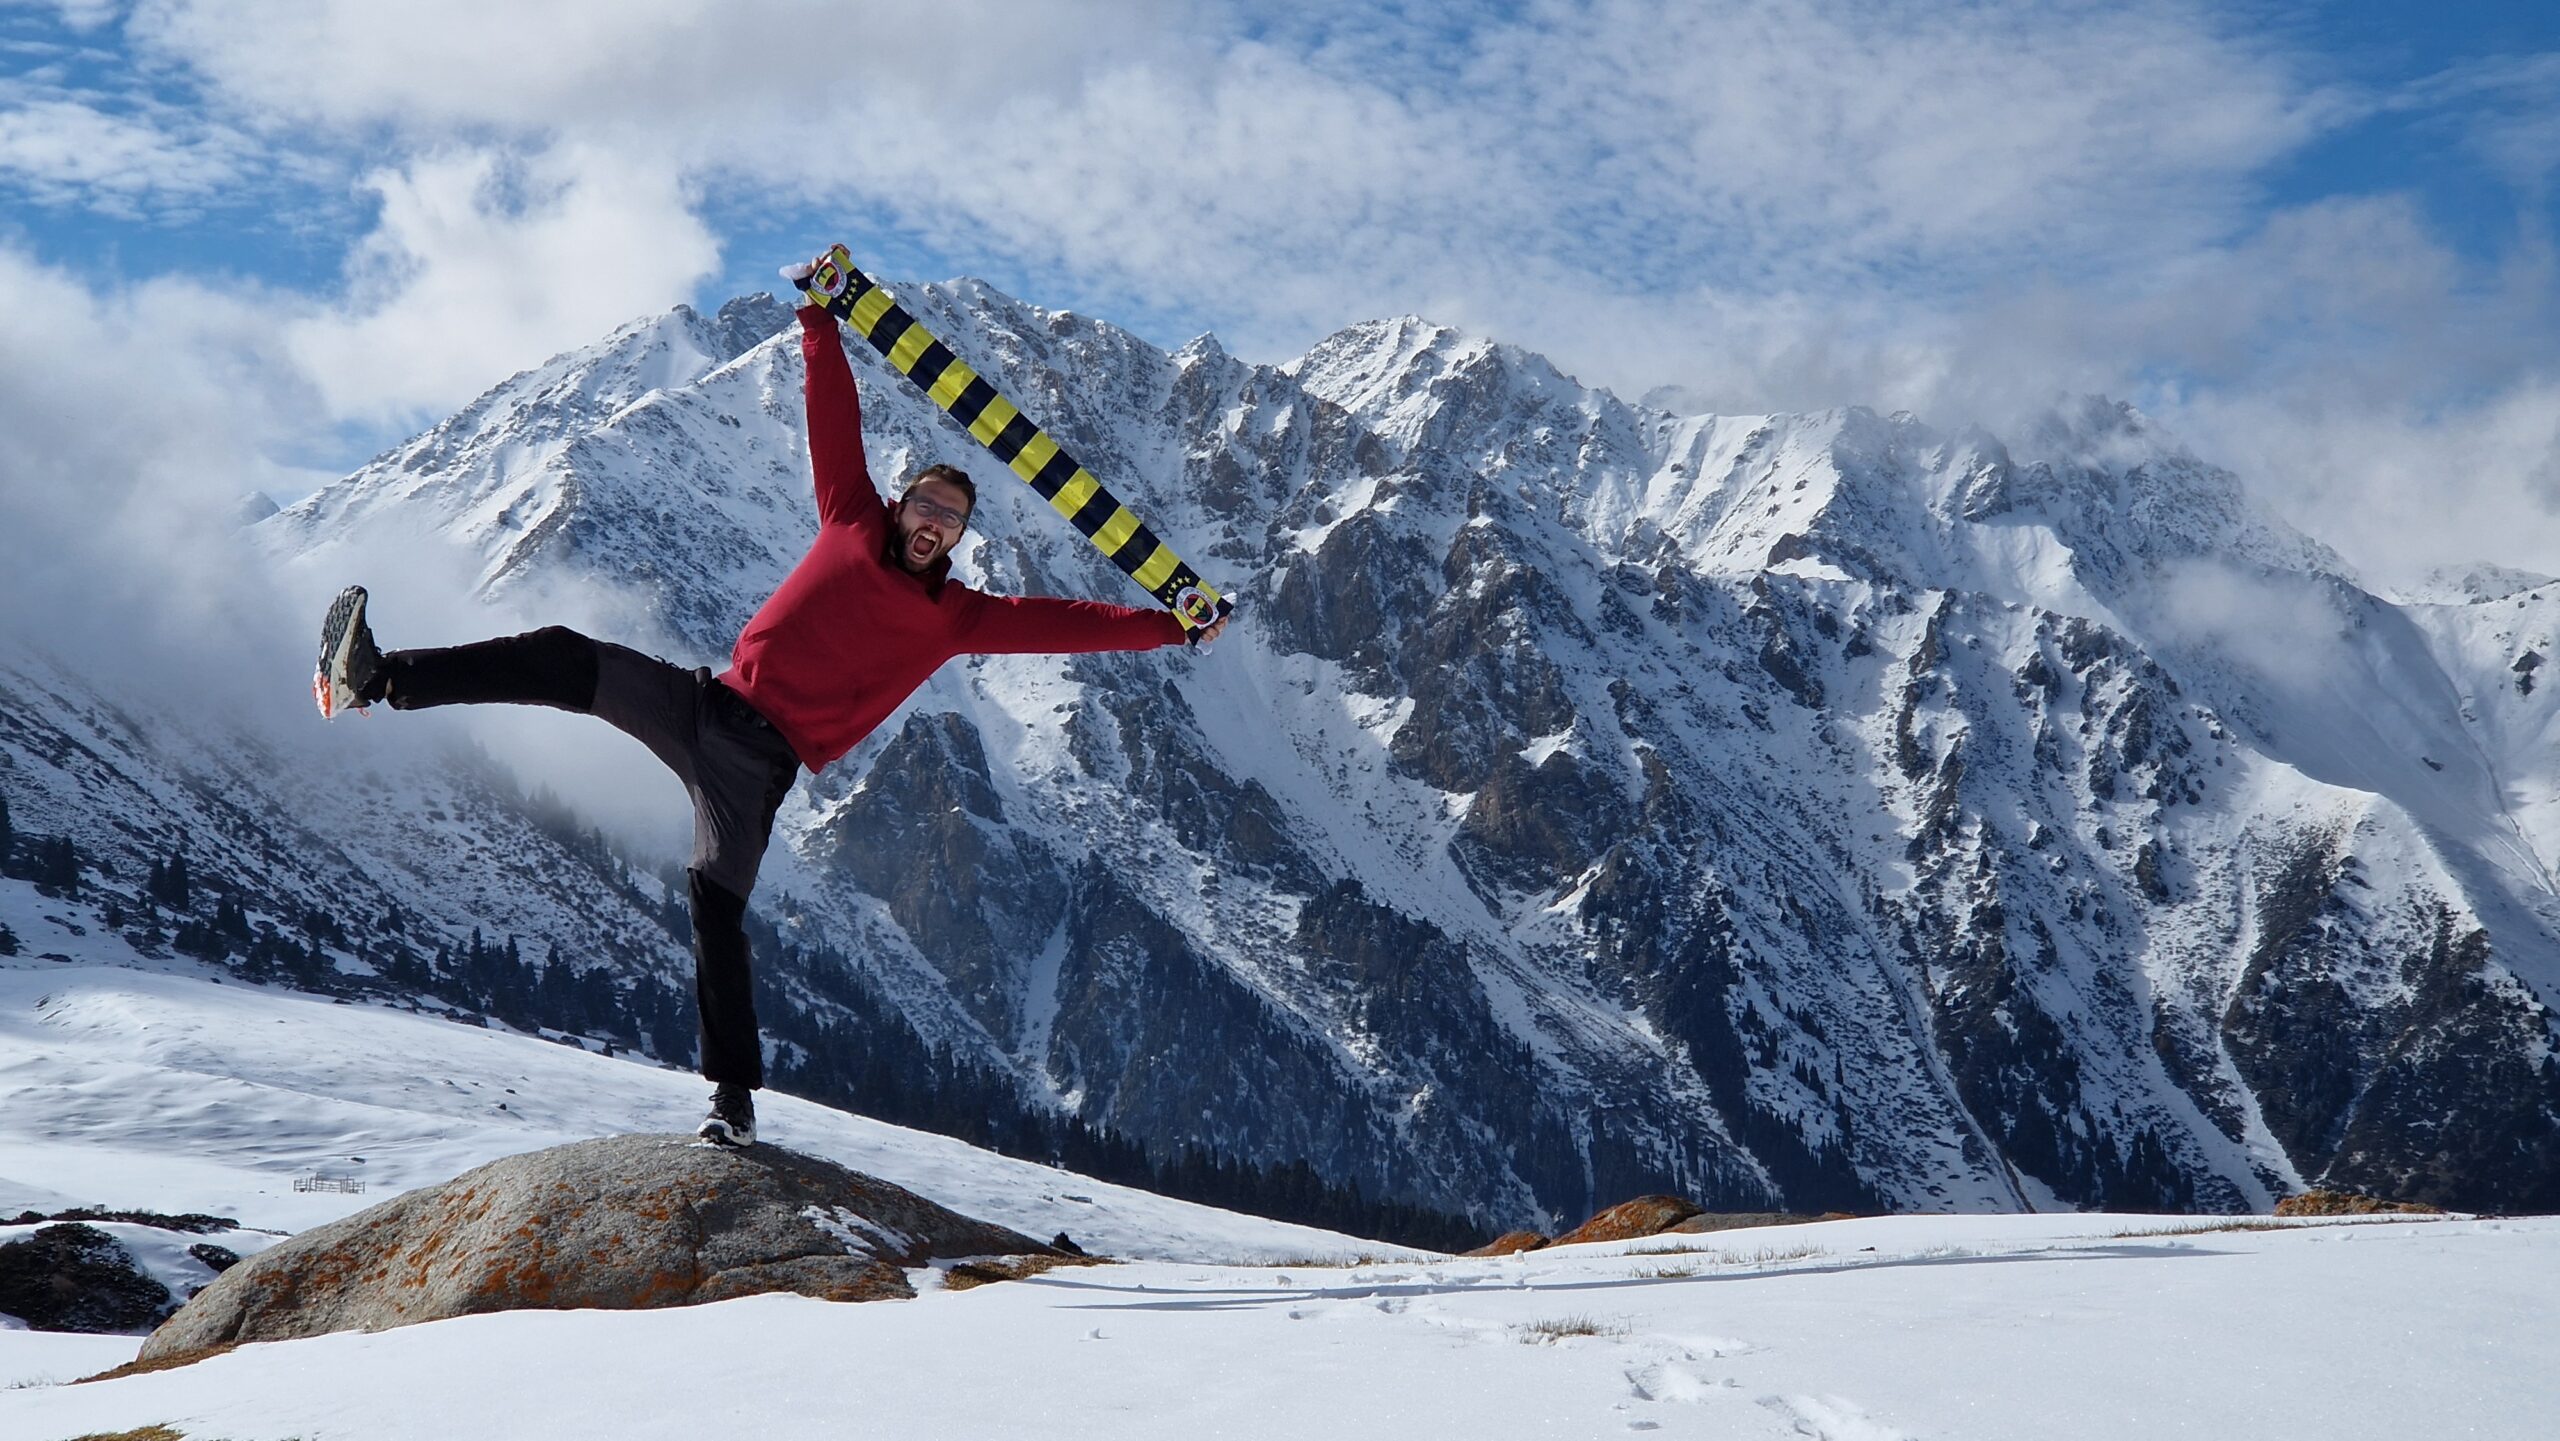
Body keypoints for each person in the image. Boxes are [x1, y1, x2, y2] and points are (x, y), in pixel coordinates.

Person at [312, 250, 1228, 1146]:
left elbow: (1064, 621)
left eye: (951, 520)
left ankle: (732, 1100)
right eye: (926, 507)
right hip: (701, 705)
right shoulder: (848, 518)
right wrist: (820, 319)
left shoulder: (957, 616)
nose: (934, 524)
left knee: (714, 905)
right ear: (901, 507)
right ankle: (383, 678)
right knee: (561, 656)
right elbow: (835, 419)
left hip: (754, 770)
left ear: (958, 539)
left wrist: (1171, 625)